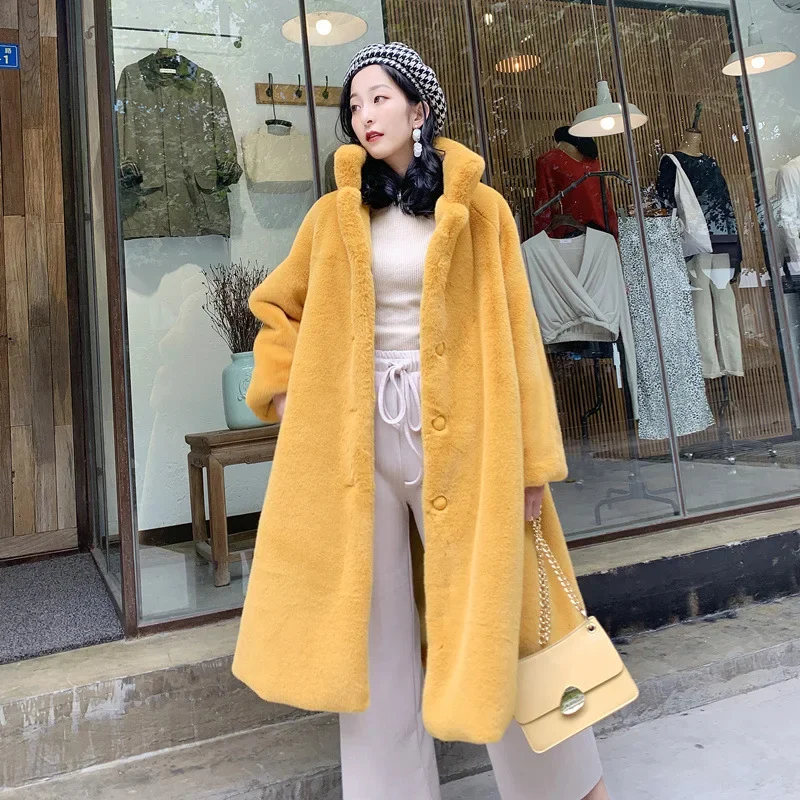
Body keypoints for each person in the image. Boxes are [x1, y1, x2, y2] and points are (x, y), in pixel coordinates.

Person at [232, 42, 611, 800]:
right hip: (360, 439)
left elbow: (519, 338)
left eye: (379, 98)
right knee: (375, 635)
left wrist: (534, 464)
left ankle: (566, 789)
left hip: (466, 440)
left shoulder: (481, 212)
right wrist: (285, 395)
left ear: (418, 109)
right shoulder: (335, 216)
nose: (364, 115)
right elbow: (276, 306)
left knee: (496, 617)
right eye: (355, 105)